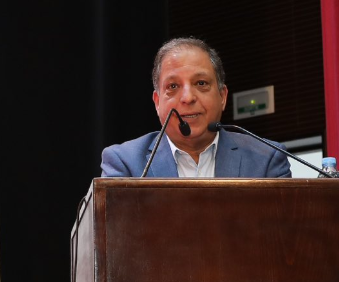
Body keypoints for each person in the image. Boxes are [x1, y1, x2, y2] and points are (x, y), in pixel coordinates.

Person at [101, 37, 292, 178]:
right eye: (173, 86)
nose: (188, 98)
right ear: (157, 102)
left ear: (223, 96)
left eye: (201, 83)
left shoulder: (266, 159)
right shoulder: (125, 163)